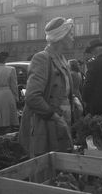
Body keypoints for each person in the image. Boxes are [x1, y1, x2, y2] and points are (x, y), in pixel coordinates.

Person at [19, 17, 74, 157]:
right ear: (61, 36)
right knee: (45, 170)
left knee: (61, 168)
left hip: (60, 121)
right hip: (45, 125)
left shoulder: (62, 59)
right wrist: (55, 117)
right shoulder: (42, 58)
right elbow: (32, 97)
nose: (73, 38)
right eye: (71, 34)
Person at [0, 51, 19, 131]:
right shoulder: (11, 69)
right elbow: (14, 85)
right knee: (8, 115)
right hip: (7, 94)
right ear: (4, 60)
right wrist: (16, 98)